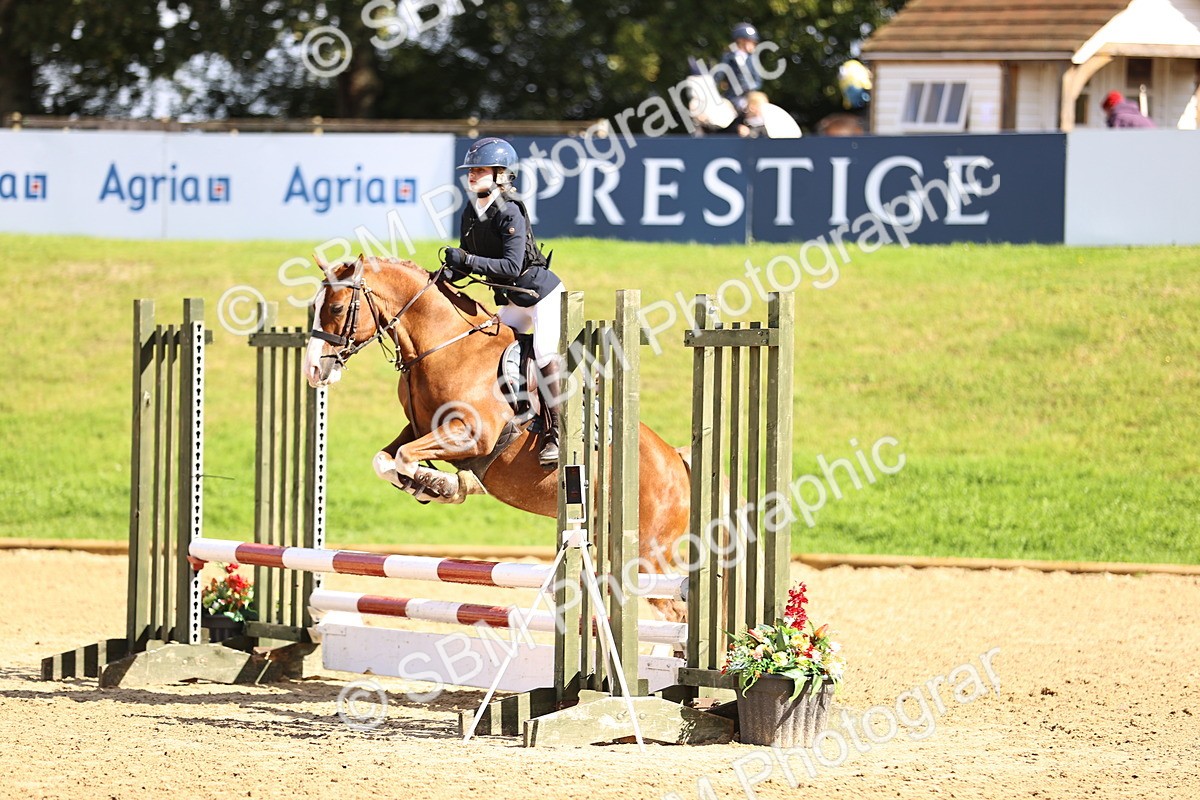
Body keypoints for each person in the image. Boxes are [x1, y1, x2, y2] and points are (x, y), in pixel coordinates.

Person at [442, 137, 565, 467]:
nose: (471, 175)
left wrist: (466, 261)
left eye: (479, 170)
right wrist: (440, 279)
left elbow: (511, 266)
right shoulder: (471, 211)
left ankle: (556, 433)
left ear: (500, 174)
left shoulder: (509, 210)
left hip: (540, 296)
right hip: (513, 299)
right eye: (470, 170)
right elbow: (466, 263)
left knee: (543, 352)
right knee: (490, 346)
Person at [719, 22, 763, 114]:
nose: (753, 45)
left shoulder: (753, 60)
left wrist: (748, 87)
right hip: (733, 95)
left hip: (750, 95)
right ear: (741, 41)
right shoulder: (728, 57)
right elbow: (720, 75)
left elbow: (758, 81)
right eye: (750, 42)